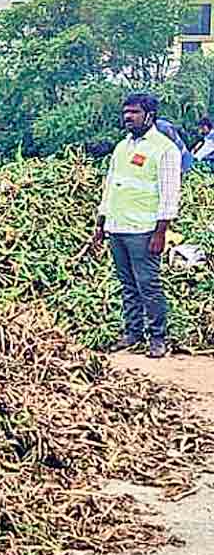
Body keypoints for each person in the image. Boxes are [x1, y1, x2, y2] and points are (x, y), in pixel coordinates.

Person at [92, 93, 178, 359]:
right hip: (117, 227)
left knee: (148, 284)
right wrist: (101, 221)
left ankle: (158, 338)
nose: (128, 117)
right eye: (126, 112)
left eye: (134, 112)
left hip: (144, 230)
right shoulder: (122, 147)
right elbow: (111, 185)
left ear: (149, 115)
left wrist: (160, 232)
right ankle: (132, 332)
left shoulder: (164, 149)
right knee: (127, 285)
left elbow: (169, 194)